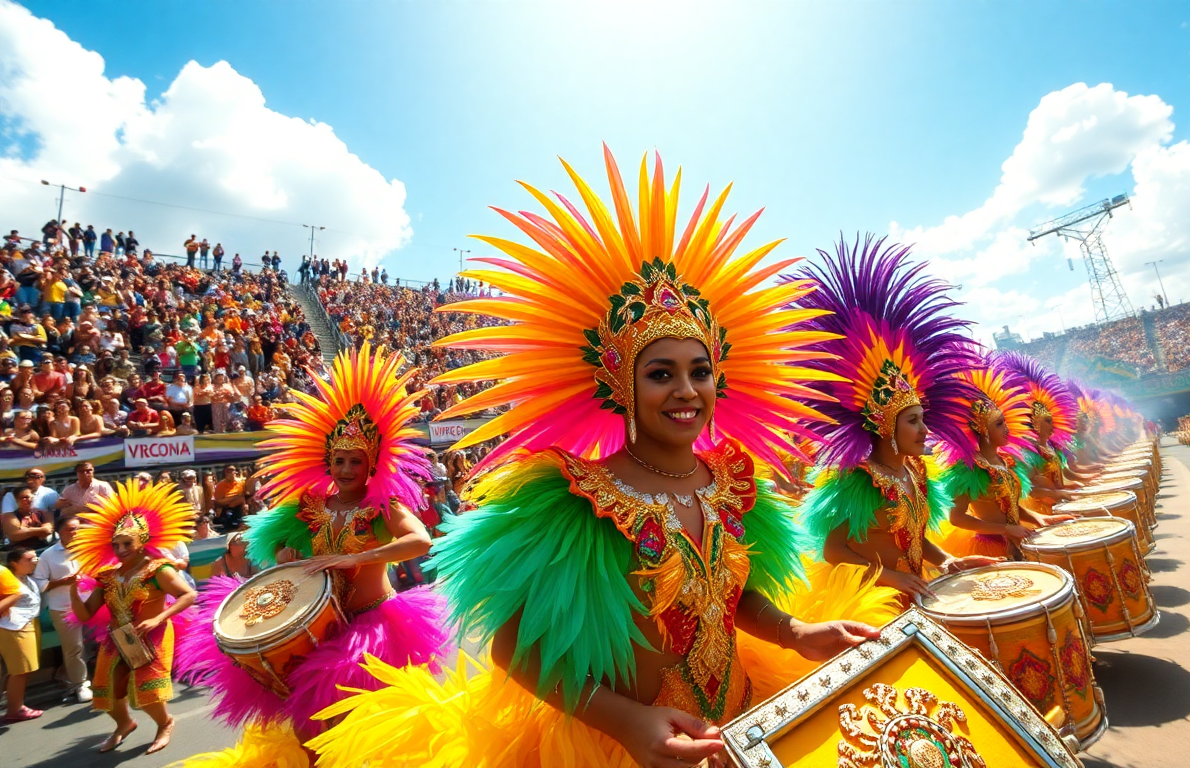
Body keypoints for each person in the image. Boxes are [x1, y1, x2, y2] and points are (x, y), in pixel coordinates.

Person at [306, 152, 878, 767]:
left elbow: (730, 598)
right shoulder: (574, 500)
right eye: (661, 373)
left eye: (700, 371)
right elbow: (514, 647)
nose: (687, 390)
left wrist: (793, 631)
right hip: (624, 750)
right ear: (620, 383)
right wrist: (629, 722)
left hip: (741, 728)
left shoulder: (735, 484)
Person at [177, 344, 451, 758]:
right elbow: (283, 543)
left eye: (355, 462)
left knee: (365, 728)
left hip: (373, 623)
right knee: (309, 731)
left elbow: (419, 541)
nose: (345, 470)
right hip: (322, 625)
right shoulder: (312, 505)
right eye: (339, 460)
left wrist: (355, 558)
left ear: (371, 464)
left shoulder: (383, 506)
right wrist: (286, 557)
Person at [798, 235, 1000, 610]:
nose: (925, 430)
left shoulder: (917, 472)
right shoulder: (855, 481)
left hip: (916, 592)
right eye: (912, 421)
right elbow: (833, 550)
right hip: (876, 604)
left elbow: (915, 540)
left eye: (923, 418)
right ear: (884, 426)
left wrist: (946, 561)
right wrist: (890, 578)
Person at [67, 481, 197, 753]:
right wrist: (71, 589)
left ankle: (165, 723)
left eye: (127, 543)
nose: (121, 549)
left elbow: (188, 595)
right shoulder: (108, 576)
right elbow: (86, 613)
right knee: (107, 693)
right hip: (118, 639)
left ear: (142, 542)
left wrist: (159, 618)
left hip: (153, 634)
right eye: (116, 544)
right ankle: (124, 724)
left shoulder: (158, 569)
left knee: (147, 693)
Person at [931, 358, 1076, 561]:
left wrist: (1039, 518)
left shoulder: (1007, 461)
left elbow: (1011, 506)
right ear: (982, 429)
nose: (1007, 429)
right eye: (999, 424)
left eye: (1004, 422)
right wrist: (1005, 529)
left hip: (1016, 539)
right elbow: (957, 518)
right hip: (992, 548)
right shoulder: (967, 469)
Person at [993, 351, 1088, 515]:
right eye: (1048, 421)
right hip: (1045, 512)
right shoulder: (1029, 454)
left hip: (1061, 506)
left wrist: (1077, 483)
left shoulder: (1052, 447)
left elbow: (1063, 475)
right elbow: (1030, 489)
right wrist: (1057, 494)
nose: (1054, 424)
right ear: (1035, 423)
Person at [33, 516, 92, 702]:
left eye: (77, 529)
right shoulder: (48, 555)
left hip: (92, 604)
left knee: (99, 642)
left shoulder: (88, 549)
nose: (75, 533)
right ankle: (80, 684)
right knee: (73, 648)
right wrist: (63, 582)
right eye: (70, 529)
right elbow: (39, 583)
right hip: (64, 608)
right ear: (59, 532)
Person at [0, 547, 43, 722]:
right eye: (29, 559)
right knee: (20, 670)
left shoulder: (26, 578)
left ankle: (14, 705)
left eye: (35, 557)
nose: (35, 561)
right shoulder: (5, 577)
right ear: (14, 563)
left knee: (21, 670)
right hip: (14, 627)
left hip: (28, 624)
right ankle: (14, 710)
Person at [210, 465, 247, 531]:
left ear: (235, 472)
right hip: (226, 507)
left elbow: (244, 497)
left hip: (240, 507)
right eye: (228, 471)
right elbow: (219, 501)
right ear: (225, 473)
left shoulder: (241, 482)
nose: (231, 473)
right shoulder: (220, 485)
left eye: (232, 471)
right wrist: (234, 498)